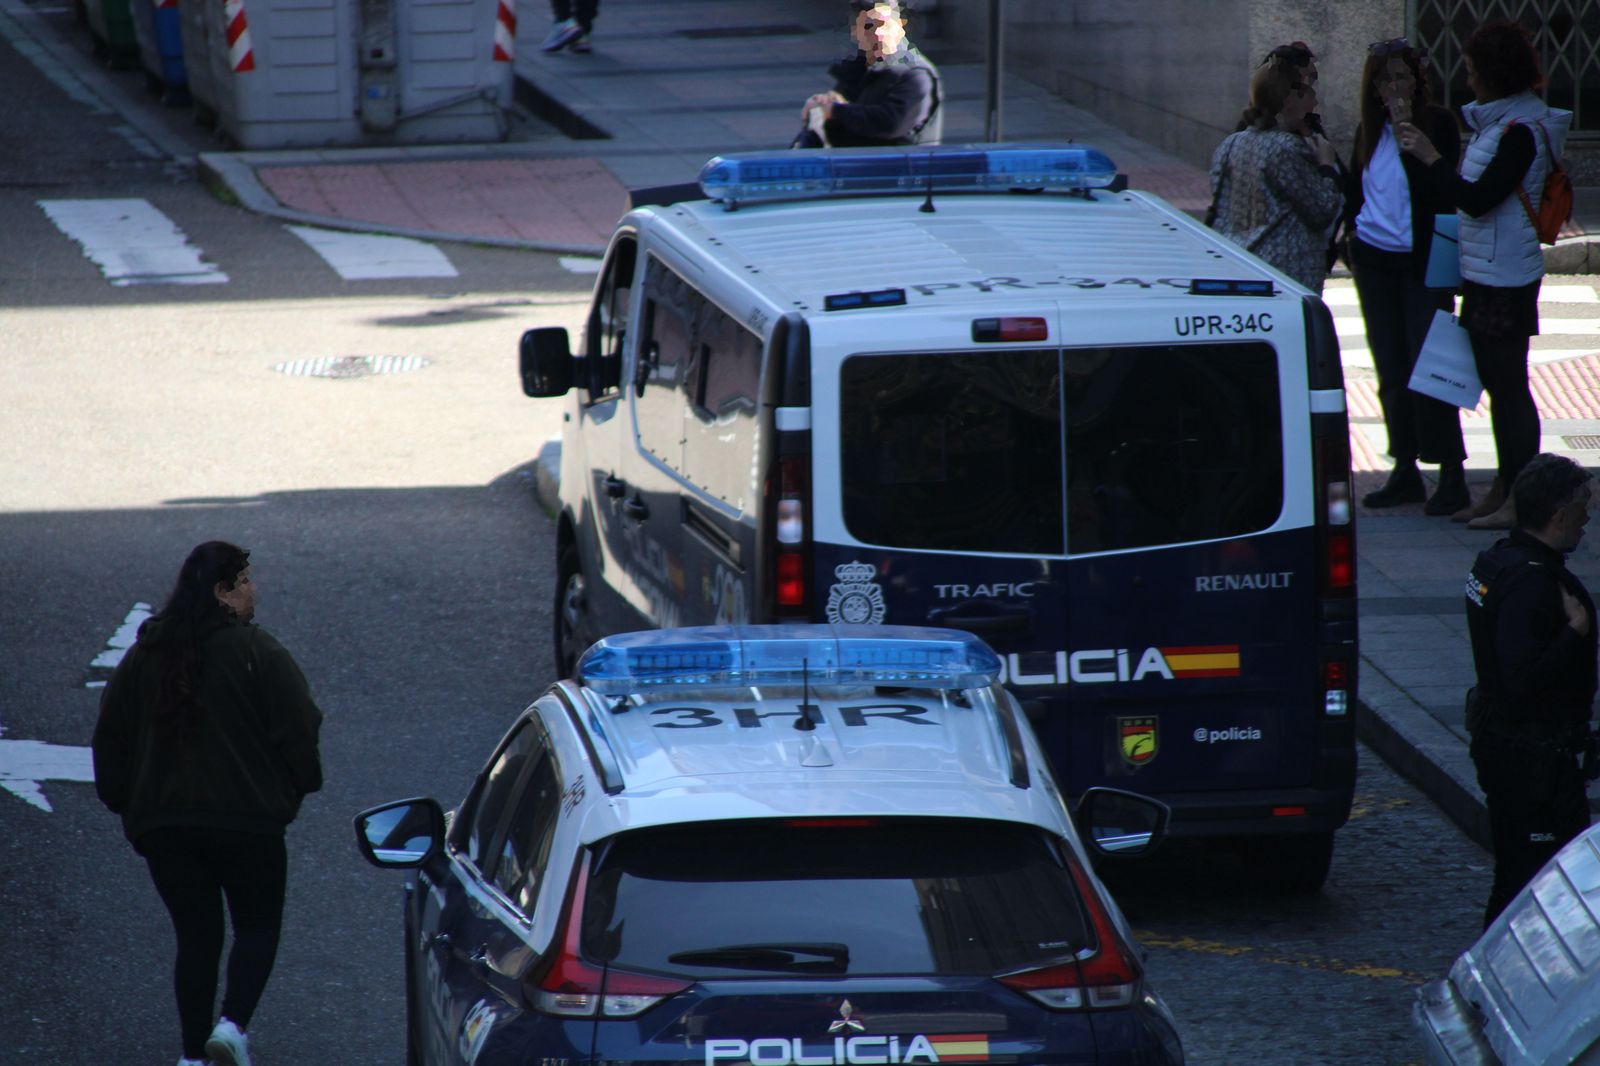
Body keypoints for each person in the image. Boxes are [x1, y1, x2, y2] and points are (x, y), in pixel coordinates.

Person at [92, 542, 324, 1066]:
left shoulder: (145, 657)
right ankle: (232, 1025)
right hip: (250, 823)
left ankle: (192, 1056)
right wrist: (297, 788)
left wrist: (125, 802)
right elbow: (299, 729)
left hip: (166, 826)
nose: (252, 589)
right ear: (221, 592)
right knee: (257, 925)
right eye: (243, 580)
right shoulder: (258, 653)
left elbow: (110, 735)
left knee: (196, 936)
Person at [1397, 19, 1571, 529]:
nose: (1468, 81)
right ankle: (1504, 487)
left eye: (1473, 71)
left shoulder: (1519, 133)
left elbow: (1476, 199)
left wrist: (1430, 158)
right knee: (1499, 386)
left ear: (1495, 74)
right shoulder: (1501, 125)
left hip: (1506, 275)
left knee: (1509, 385)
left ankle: (1521, 497)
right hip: (1487, 269)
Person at [1463, 453, 1596, 928]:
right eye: (1583, 505)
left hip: (1512, 748)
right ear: (1559, 514)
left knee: (1522, 876)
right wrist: (1573, 633)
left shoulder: (1498, 561)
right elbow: (1521, 680)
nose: (1588, 514)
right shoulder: (1531, 581)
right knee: (1532, 883)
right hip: (1531, 761)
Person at [1345, 38, 1470, 516]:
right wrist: (1353, 239)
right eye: (1384, 79)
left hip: (1424, 262)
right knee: (1391, 368)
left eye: (1401, 76)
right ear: (1374, 88)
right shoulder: (1368, 130)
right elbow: (1361, 191)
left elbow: (1442, 193)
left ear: (1418, 80)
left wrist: (1415, 145)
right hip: (1376, 261)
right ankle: (1404, 469)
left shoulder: (1436, 124)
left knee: (1433, 368)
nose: (1394, 87)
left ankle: (1453, 474)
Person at [1207, 44, 1343, 293]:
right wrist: (1327, 166)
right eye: (1308, 90)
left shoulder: (1232, 143)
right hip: (1285, 274)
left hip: (1240, 264)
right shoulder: (1286, 148)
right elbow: (1322, 210)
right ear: (1289, 99)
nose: (1314, 99)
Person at [796, 0, 941, 148]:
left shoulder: (915, 73)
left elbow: (891, 123)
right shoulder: (859, 69)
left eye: (885, 25)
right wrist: (822, 105)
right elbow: (844, 126)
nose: (879, 34)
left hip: (903, 168)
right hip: (863, 165)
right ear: (855, 33)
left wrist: (836, 110)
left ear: (900, 25)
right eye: (869, 27)